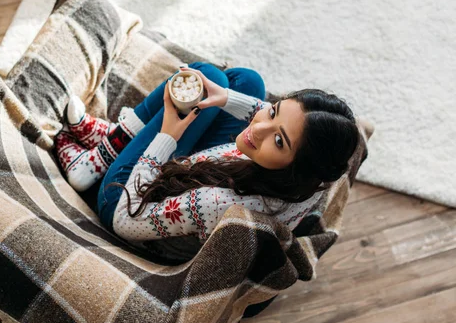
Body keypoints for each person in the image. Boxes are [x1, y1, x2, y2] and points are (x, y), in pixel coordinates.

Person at [55, 62, 359, 258]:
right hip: (204, 169)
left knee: (208, 75)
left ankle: (100, 157)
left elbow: (125, 221)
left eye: (279, 141)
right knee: (246, 81)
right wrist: (226, 97)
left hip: (128, 202)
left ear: (295, 168)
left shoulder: (218, 204)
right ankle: (116, 138)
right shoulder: (314, 179)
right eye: (275, 110)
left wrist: (166, 137)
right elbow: (273, 119)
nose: (259, 126)